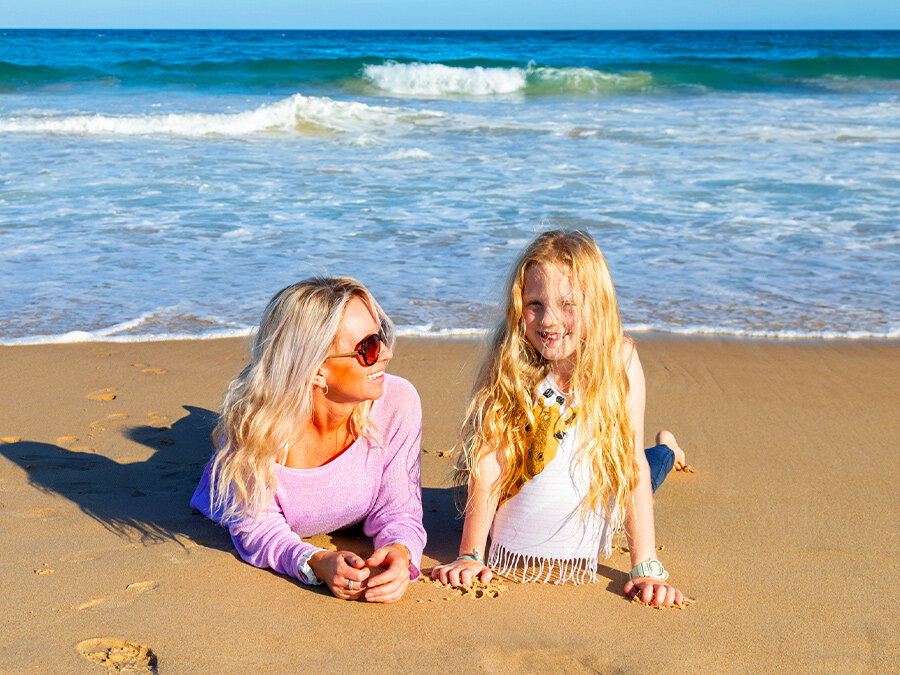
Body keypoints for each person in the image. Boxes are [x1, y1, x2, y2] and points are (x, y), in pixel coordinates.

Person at [432, 230, 686, 607]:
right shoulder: (508, 358)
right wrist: (470, 553)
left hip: (598, 483)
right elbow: (488, 459)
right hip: (528, 485)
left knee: (651, 466)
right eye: (535, 303)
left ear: (595, 305)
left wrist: (645, 566)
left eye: (567, 304)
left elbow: (629, 465)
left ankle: (668, 448)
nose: (549, 320)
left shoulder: (620, 361)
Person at [191, 277, 425, 603]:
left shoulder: (397, 403)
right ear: (316, 370)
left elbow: (400, 511)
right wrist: (315, 561)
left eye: (381, 336)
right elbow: (258, 528)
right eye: (369, 347)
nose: (386, 353)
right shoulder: (257, 427)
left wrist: (401, 553)